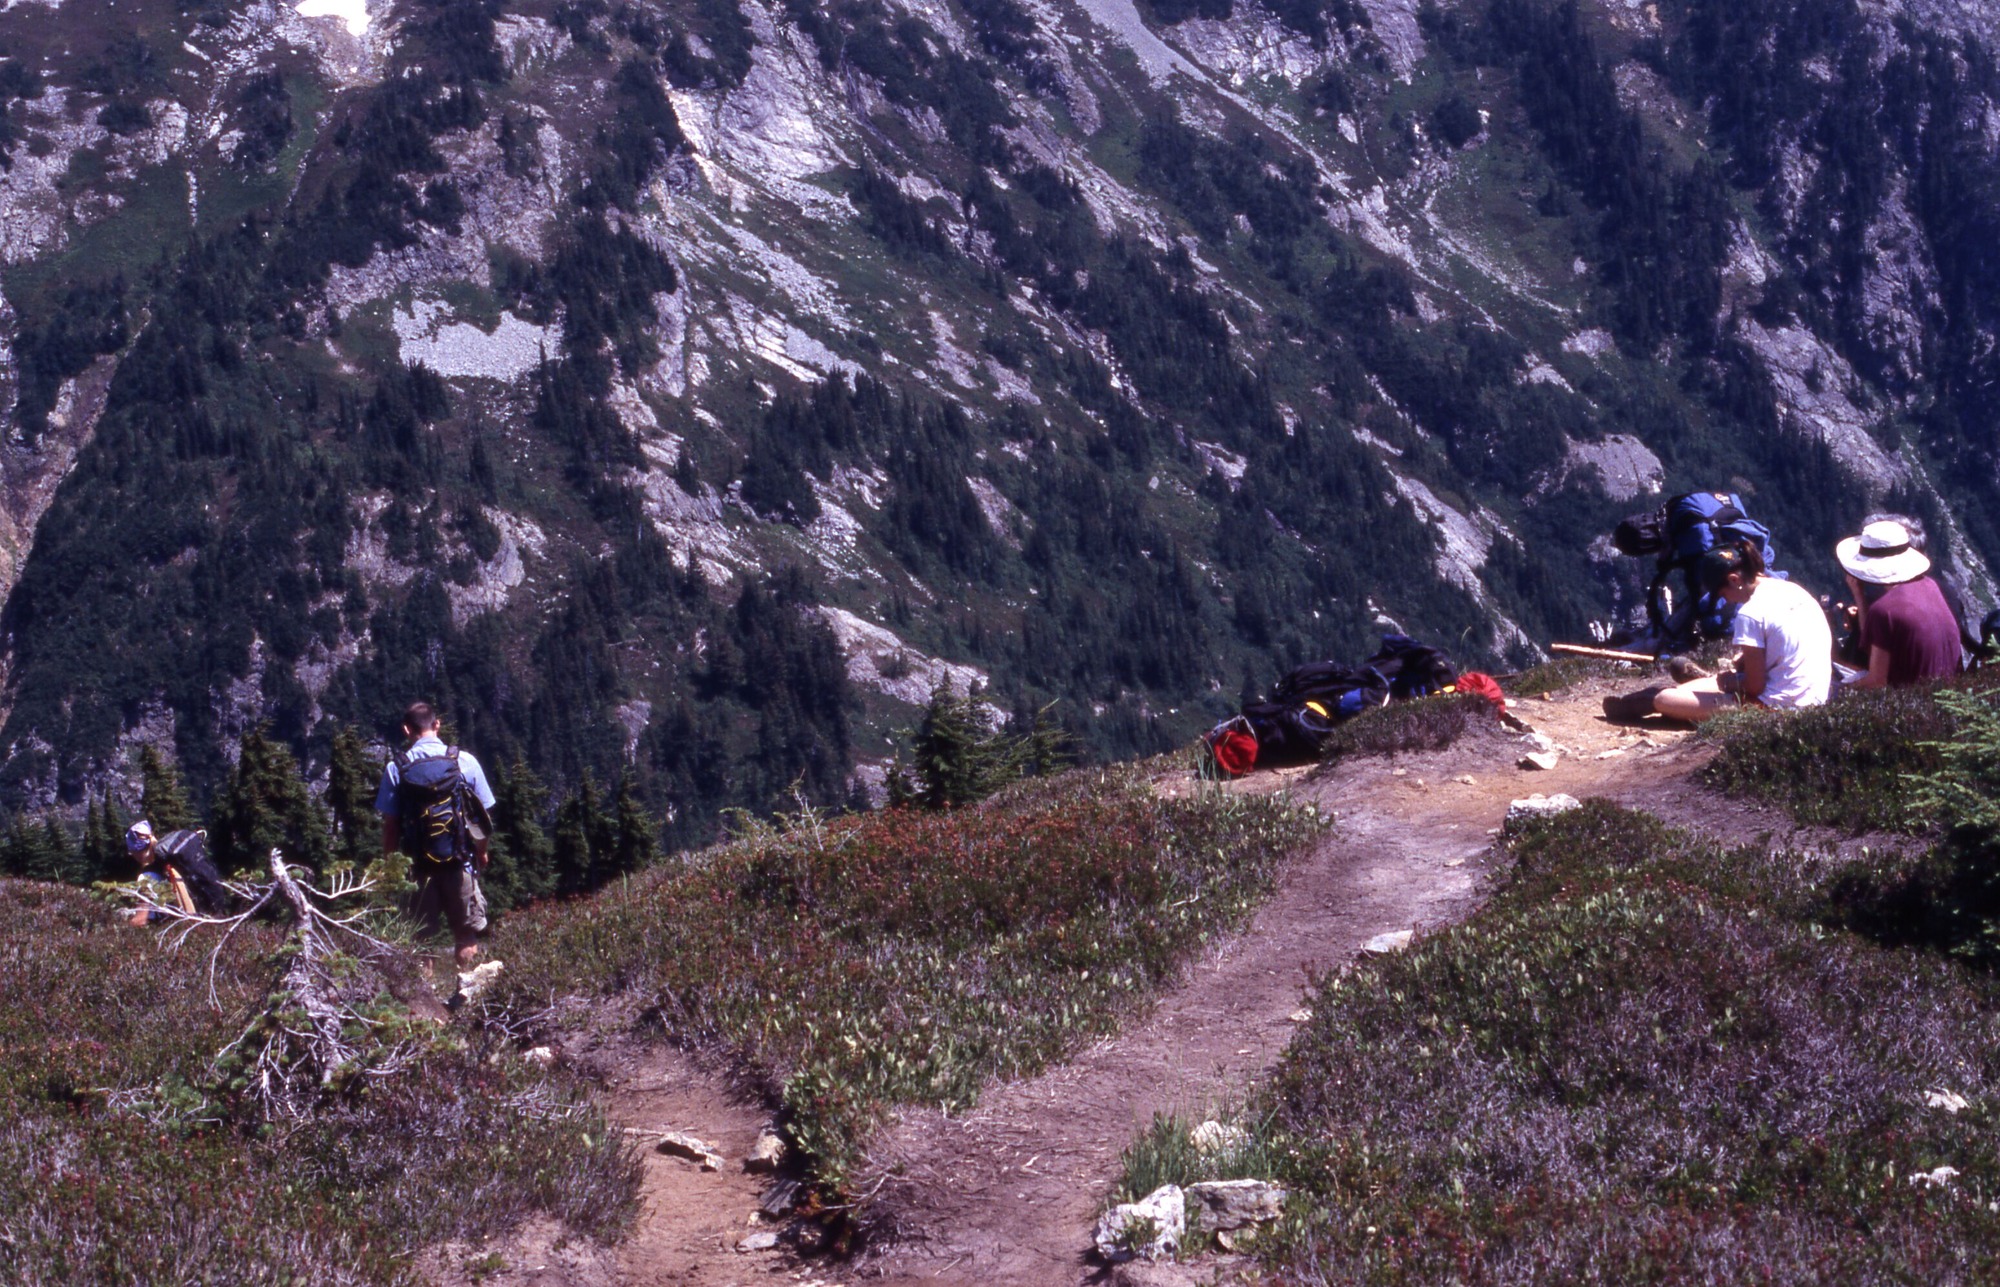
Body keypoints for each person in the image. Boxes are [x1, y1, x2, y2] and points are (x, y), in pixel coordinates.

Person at [1607, 540, 1832, 723]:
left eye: (1720, 593)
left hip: (1776, 709)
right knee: (1700, 686)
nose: (1722, 599)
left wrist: (1729, 683)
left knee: (1666, 700)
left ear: (1734, 580)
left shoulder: (1751, 613)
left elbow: (1755, 687)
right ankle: (1684, 691)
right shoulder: (1794, 590)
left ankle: (1655, 700)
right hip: (1815, 697)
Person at [376, 701, 496, 971]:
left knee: (421, 940)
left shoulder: (397, 768)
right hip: (460, 862)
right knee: (466, 934)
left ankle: (426, 1010)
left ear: (407, 730)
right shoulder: (463, 761)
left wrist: (390, 866)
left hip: (418, 868)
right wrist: (482, 851)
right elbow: (482, 818)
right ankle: (468, 995)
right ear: (437, 724)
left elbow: (391, 826)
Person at [1835, 518, 1964, 689]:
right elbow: (1879, 642)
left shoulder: (1884, 610)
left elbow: (1877, 681)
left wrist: (1842, 690)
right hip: (1946, 697)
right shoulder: (1930, 587)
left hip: (1910, 702)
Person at [126, 819, 231, 924]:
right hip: (207, 912)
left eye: (132, 851)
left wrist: (125, 927)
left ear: (137, 851)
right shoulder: (171, 859)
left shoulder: (148, 875)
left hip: (180, 925)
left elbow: (140, 920)